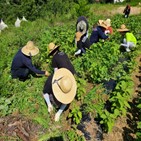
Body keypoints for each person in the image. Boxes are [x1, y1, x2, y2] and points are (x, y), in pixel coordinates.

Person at [43, 42, 76, 121]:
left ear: (51, 52)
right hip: (71, 73)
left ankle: (49, 105)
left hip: (62, 75)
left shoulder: (54, 59)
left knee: (46, 91)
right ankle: (59, 113)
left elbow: (56, 72)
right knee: (67, 95)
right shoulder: (63, 53)